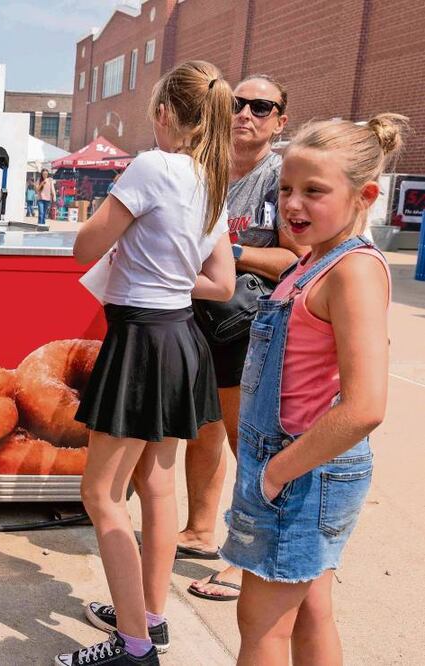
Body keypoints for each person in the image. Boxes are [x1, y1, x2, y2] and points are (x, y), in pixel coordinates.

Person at [55, 61, 235, 666]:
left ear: (163, 113)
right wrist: (169, 273)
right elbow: (222, 281)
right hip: (181, 336)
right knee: (157, 485)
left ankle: (133, 644)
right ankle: (149, 615)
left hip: (140, 340)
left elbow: (85, 244)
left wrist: (137, 258)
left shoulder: (152, 166)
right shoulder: (212, 178)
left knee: (100, 492)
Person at [222, 114, 403, 666]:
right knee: (309, 609)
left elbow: (366, 405)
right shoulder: (314, 261)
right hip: (294, 466)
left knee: (261, 627)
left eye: (314, 191)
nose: (294, 205)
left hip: (301, 468)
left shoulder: (352, 272)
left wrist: (278, 472)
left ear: (363, 196)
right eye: (286, 189)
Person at [181, 75, 306, 602]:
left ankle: (243, 556)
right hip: (195, 320)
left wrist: (229, 253)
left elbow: (295, 257)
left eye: (261, 106)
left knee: (245, 440)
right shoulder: (200, 167)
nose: (245, 114)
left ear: (279, 121)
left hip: (253, 327)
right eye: (236, 103)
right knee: (202, 429)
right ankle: (198, 530)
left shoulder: (282, 178)